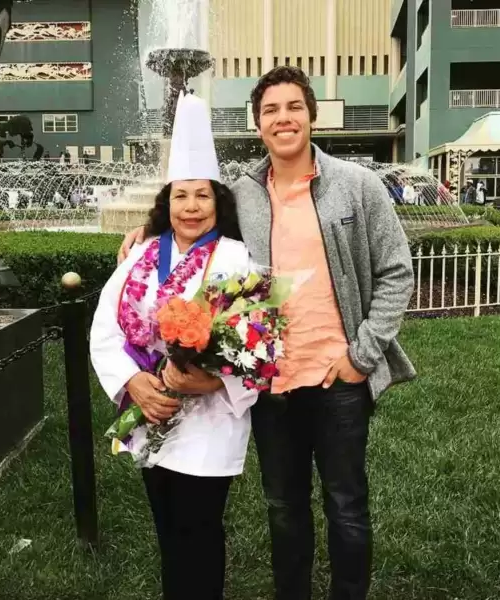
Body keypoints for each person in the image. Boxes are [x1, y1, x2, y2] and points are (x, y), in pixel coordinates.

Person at [118, 66, 416, 600]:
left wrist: (362, 355)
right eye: (271, 110)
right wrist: (148, 229)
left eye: (294, 107)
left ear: (311, 115)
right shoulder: (243, 196)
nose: (284, 119)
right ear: (258, 125)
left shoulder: (357, 186)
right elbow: (195, 220)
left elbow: (396, 272)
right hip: (271, 383)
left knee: (346, 505)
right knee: (283, 507)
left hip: (338, 376)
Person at [90, 92, 258, 600]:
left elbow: (256, 341)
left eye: (202, 195)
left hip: (210, 423)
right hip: (150, 414)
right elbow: (104, 328)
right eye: (181, 196)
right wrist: (134, 383)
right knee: (166, 528)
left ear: (218, 202)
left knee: (199, 531)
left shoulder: (237, 259)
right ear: (167, 203)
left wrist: (213, 380)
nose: (191, 207)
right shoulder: (140, 254)